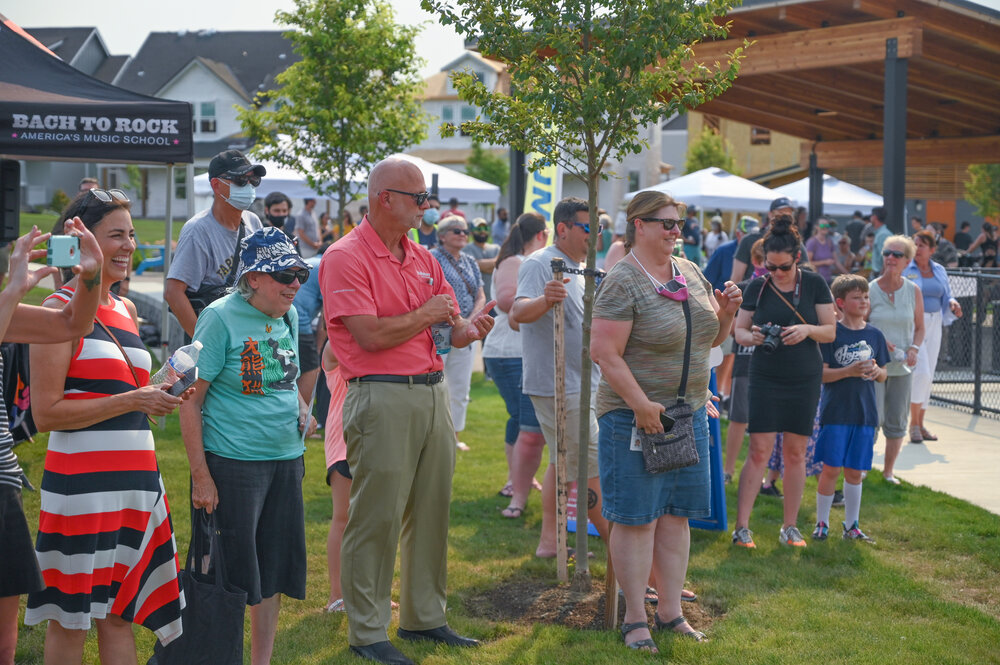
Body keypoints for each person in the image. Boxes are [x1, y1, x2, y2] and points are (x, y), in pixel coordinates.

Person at [320, 157, 491, 665]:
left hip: (431, 388)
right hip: (380, 392)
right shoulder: (344, 256)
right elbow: (368, 336)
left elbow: (451, 331)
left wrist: (470, 329)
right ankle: (367, 630)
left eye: (426, 198)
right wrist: (427, 316)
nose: (427, 206)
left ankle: (423, 617)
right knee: (376, 514)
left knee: (433, 508)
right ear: (383, 198)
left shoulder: (422, 256)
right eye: (418, 198)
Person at [27, 189, 187, 661]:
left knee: (120, 614)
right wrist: (132, 399)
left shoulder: (128, 309)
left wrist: (164, 389)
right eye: (116, 235)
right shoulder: (56, 311)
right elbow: (47, 412)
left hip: (137, 483)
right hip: (83, 488)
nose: (129, 245)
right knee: (72, 619)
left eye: (132, 235)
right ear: (82, 244)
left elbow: (125, 390)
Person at [590, 190, 741, 652]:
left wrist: (728, 314)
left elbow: (708, 340)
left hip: (688, 412)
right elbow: (604, 353)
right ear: (639, 224)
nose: (678, 231)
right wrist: (639, 404)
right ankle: (635, 618)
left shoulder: (690, 271)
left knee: (677, 517)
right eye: (668, 224)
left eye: (681, 223)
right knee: (637, 520)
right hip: (633, 417)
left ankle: (671, 612)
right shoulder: (621, 280)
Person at [180, 228, 314, 665]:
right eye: (284, 275)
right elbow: (189, 400)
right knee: (230, 576)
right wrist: (201, 476)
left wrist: (302, 408)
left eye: (300, 275)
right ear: (252, 278)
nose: (295, 284)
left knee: (271, 574)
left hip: (286, 461)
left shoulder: (287, 315)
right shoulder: (219, 317)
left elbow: (285, 376)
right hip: (234, 466)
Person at [0, 222, 105, 665]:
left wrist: (91, 277)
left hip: (2, 483)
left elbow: (72, 323)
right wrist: (13, 288)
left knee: (4, 649)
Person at [511, 196, 611, 560]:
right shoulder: (542, 263)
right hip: (556, 384)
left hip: (582, 382)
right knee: (589, 466)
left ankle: (550, 542)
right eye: (589, 228)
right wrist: (545, 300)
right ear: (563, 228)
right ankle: (624, 556)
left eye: (599, 228)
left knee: (562, 460)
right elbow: (517, 311)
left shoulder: (581, 268)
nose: (595, 235)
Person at [732, 215, 836, 549]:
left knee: (796, 453)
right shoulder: (757, 286)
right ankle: (742, 527)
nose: (776, 274)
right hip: (765, 375)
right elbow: (739, 330)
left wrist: (806, 330)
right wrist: (757, 338)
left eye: (783, 268)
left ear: (797, 260)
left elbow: (830, 330)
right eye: (770, 268)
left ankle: (789, 526)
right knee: (759, 450)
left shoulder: (815, 284)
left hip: (804, 377)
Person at [813, 274, 890, 543]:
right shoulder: (832, 333)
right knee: (832, 468)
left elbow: (884, 375)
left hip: (865, 413)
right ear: (841, 302)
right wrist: (849, 371)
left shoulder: (874, 334)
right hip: (836, 411)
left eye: (866, 296)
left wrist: (876, 370)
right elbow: (822, 375)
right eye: (857, 297)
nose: (864, 301)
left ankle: (851, 525)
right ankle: (821, 523)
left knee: (855, 471)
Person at [483, 213, 549, 517]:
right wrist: (546, 297)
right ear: (542, 235)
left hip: (516, 351)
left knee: (520, 418)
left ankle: (518, 478)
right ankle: (515, 481)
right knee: (523, 419)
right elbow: (508, 301)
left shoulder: (520, 261)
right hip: (508, 351)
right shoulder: (515, 262)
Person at [165, 149, 264, 339]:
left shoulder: (253, 222)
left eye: (254, 180)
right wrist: (204, 341)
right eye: (241, 180)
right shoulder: (198, 230)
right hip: (213, 335)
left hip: (246, 333)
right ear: (217, 185)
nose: (249, 187)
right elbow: (173, 292)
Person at [867, 235, 924, 485]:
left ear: (907, 261)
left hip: (902, 367)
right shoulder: (870, 289)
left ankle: (888, 472)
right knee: (872, 418)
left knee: (897, 420)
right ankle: (862, 469)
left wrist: (914, 348)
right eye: (887, 253)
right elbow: (860, 323)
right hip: (874, 366)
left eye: (897, 255)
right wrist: (878, 341)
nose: (890, 258)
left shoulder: (913, 291)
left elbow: (920, 328)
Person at [432, 216, 486, 452]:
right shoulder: (432, 258)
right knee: (436, 384)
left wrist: (471, 320)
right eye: (457, 231)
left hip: (467, 330)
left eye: (466, 231)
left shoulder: (470, 261)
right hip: (440, 329)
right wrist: (456, 319)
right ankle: (434, 435)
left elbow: (480, 293)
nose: (463, 234)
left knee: (460, 387)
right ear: (442, 235)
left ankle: (454, 436)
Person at [903, 230, 962, 443]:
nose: (917, 248)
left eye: (922, 245)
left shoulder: (939, 270)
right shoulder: (906, 268)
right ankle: (913, 425)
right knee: (922, 372)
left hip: (935, 321)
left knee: (930, 375)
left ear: (932, 250)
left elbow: (947, 294)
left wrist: (953, 303)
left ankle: (921, 423)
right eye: (915, 244)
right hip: (914, 324)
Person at [730, 197, 795, 283]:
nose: (784, 217)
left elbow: (804, 272)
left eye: (788, 213)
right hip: (753, 293)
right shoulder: (749, 240)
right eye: (781, 212)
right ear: (770, 215)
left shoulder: (794, 241)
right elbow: (736, 278)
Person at [292, 255, 326, 413]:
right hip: (300, 321)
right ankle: (301, 418)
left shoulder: (314, 262)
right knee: (311, 368)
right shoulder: (327, 267)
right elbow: (325, 320)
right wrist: (318, 350)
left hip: (285, 317)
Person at [462, 217, 500, 301]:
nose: (483, 231)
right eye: (479, 229)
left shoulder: (496, 248)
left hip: (495, 299)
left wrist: (479, 264)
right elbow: (472, 265)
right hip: (476, 300)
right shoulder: (466, 249)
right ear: (471, 232)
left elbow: (501, 266)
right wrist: (493, 264)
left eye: (485, 228)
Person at [806, 217, 837, 282]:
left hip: (827, 279)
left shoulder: (829, 242)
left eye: (827, 225)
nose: (825, 227)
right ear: (816, 227)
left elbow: (836, 262)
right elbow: (807, 263)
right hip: (815, 280)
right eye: (822, 225)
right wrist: (824, 262)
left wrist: (848, 274)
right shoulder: (812, 242)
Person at [869, 207, 892, 276]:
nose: (870, 218)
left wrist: (881, 278)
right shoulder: (881, 234)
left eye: (871, 216)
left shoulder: (883, 235)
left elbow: (887, 259)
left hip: (880, 275)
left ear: (874, 217)